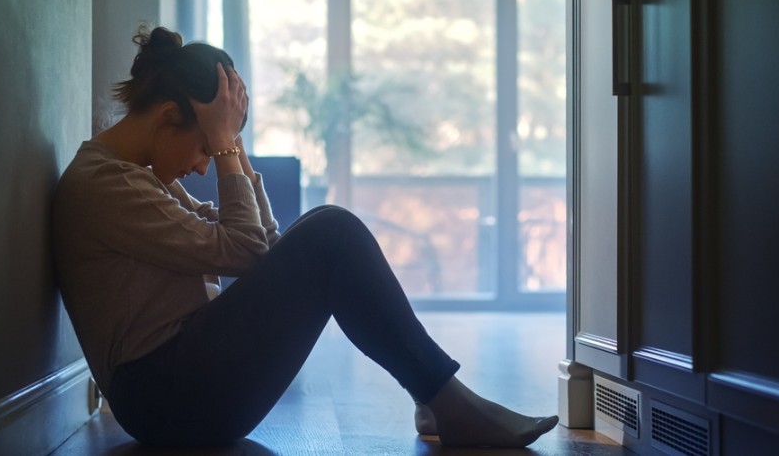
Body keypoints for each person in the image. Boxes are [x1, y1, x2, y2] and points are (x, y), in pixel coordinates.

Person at [52, 26, 558, 448]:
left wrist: (233, 148)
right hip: (165, 401)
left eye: (214, 150)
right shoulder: (106, 184)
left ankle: (438, 400)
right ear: (167, 118)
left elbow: (262, 250)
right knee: (332, 230)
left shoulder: (135, 178)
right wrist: (227, 145)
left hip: (180, 385)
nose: (203, 165)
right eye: (207, 147)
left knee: (328, 229)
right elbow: (246, 248)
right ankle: (445, 401)